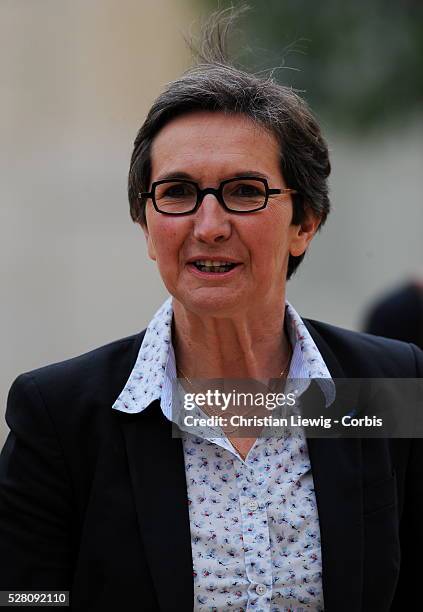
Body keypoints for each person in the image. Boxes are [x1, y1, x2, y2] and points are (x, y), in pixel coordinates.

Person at [0, 8, 422, 612]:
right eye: (176, 193)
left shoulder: (386, 386)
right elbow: (24, 597)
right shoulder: (62, 416)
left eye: (245, 191)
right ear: (147, 226)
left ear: (305, 221)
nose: (209, 225)